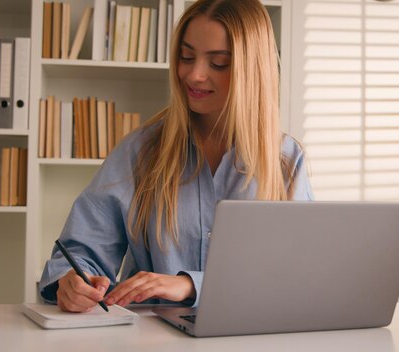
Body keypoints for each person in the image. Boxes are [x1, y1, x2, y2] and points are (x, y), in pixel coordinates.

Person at [39, 0, 313, 313]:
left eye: (218, 63)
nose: (194, 75)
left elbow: (298, 276)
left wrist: (190, 285)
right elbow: (81, 250)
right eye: (186, 57)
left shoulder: (286, 160)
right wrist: (73, 281)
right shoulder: (140, 152)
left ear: (253, 70)